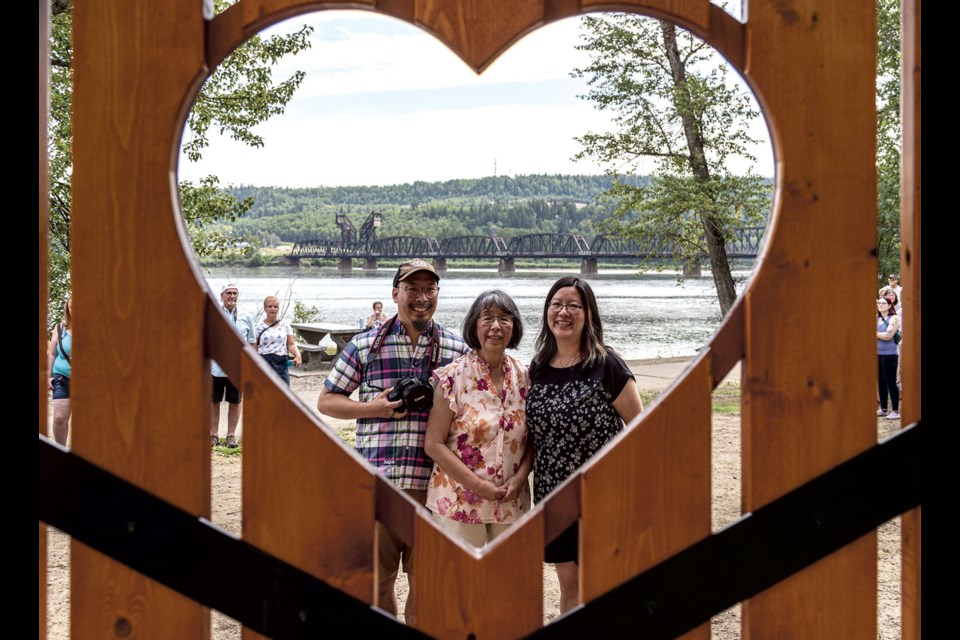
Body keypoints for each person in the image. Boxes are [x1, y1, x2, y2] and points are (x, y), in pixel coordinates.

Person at [316, 258, 469, 623]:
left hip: (433, 489)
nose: (422, 297)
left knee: (426, 584)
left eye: (429, 289)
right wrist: (373, 409)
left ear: (437, 294)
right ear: (395, 293)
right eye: (412, 288)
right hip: (377, 485)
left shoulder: (455, 349)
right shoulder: (365, 345)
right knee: (378, 586)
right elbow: (326, 400)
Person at [526, 276, 644, 614]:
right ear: (547, 312)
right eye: (557, 305)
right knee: (570, 587)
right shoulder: (536, 370)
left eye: (574, 306)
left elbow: (640, 431)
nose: (564, 312)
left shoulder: (607, 365)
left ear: (588, 314)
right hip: (553, 495)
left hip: (603, 493)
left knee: (605, 584)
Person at [423, 290, 532, 548]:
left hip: (511, 502)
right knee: (460, 584)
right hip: (458, 502)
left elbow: (532, 439)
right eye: (487, 318)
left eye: (504, 318)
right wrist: (478, 485)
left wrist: (519, 479)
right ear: (474, 325)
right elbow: (433, 444)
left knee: (507, 582)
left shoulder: (525, 377)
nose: (496, 326)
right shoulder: (451, 377)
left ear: (513, 327)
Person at [210, 284, 256, 448]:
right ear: (221, 295)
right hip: (215, 368)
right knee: (213, 402)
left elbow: (251, 343)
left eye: (235, 293)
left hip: (237, 368)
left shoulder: (246, 316)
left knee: (235, 402)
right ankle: (213, 435)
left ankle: (231, 436)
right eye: (228, 293)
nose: (232, 296)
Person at [255, 295, 302, 386]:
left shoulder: (285, 325)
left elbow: (291, 344)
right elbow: (254, 347)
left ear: (278, 309)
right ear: (265, 309)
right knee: (264, 392)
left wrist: (298, 355)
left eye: (275, 306)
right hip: (263, 362)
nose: (272, 309)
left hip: (281, 362)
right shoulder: (258, 326)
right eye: (270, 306)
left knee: (284, 393)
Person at [48, 293, 73, 446]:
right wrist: (49, 375)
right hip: (62, 378)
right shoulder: (60, 328)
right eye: (72, 306)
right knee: (59, 418)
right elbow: (51, 353)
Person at [876, 297, 900, 420]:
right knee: (880, 382)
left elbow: (888, 336)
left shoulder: (894, 318)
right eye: (879, 303)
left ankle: (896, 411)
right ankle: (884, 409)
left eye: (884, 303)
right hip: (877, 354)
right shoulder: (876, 318)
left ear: (890, 305)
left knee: (890, 381)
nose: (881, 305)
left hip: (889, 354)